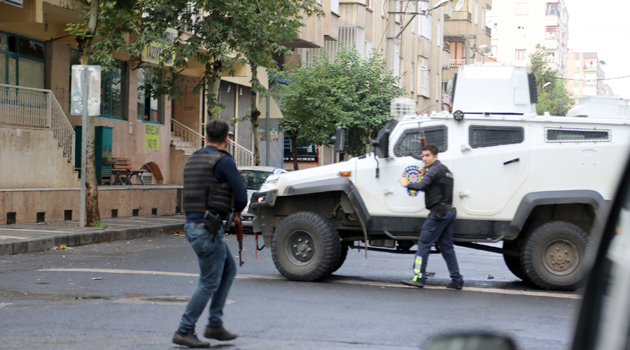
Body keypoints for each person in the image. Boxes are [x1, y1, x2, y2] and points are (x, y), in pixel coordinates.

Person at [173, 119, 248, 348]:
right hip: (208, 229)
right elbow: (242, 195)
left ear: (205, 137)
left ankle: (214, 324)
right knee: (207, 282)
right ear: (227, 138)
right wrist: (236, 210)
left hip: (193, 226)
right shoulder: (223, 161)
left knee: (228, 269)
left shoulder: (194, 158)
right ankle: (185, 330)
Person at [397, 144, 464, 290]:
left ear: (435, 156)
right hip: (449, 212)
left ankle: (418, 278)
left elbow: (422, 186)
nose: (424, 158)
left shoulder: (434, 170)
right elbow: (433, 184)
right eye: (423, 155)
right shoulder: (445, 170)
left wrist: (406, 184)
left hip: (438, 214)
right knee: (447, 248)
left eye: (427, 155)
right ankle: (457, 280)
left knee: (423, 245)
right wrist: (425, 171)